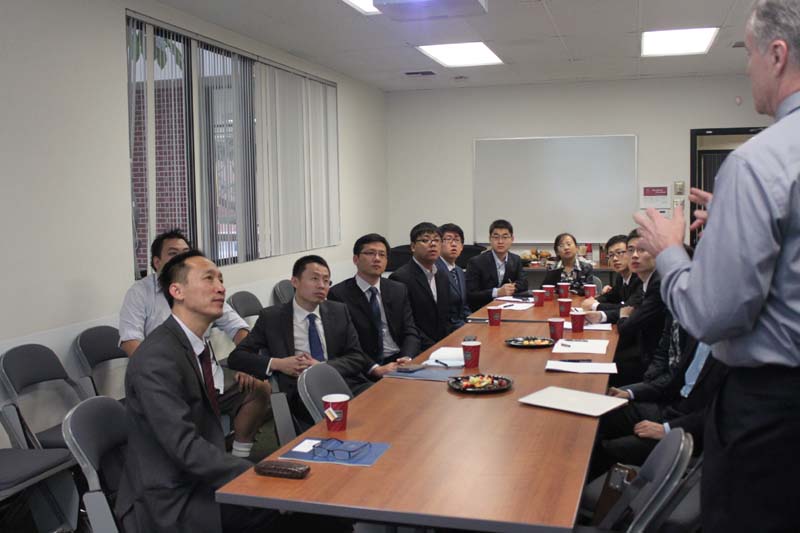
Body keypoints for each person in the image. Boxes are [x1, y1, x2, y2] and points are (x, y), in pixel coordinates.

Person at [634, 2, 800, 530]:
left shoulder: (759, 161)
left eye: (748, 54)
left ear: (778, 55)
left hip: (774, 412)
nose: (747, 68)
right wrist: (735, 217)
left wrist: (670, 250)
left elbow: (712, 316)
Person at [116, 250, 276, 533]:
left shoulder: (189, 344)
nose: (221, 287)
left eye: (221, 279)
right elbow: (184, 447)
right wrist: (253, 475)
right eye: (209, 278)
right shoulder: (156, 358)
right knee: (289, 507)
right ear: (176, 291)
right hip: (171, 497)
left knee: (298, 485)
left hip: (196, 476)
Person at [118, 229, 269, 458]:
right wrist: (159, 370)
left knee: (259, 388)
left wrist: (245, 362)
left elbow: (238, 328)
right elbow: (131, 341)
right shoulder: (141, 295)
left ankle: (240, 455)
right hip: (172, 378)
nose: (220, 287)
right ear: (157, 263)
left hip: (208, 374)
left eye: (185, 252)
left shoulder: (206, 295)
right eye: (173, 253)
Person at [227, 255, 374, 427]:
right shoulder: (272, 317)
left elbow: (357, 356)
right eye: (314, 279)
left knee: (379, 403)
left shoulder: (339, 311)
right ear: (295, 282)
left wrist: (322, 367)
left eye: (326, 280)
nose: (322, 285)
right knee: (343, 422)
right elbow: (237, 357)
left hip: (343, 381)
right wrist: (278, 364)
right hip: (302, 390)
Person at [328, 233, 421, 371]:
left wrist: (406, 357)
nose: (377, 258)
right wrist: (374, 368)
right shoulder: (338, 294)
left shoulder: (398, 289)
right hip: (364, 365)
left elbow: (410, 330)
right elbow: (346, 344)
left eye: (382, 254)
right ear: (355, 259)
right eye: (370, 253)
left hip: (399, 359)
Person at [587, 230, 667, 386]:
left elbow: (628, 325)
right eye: (631, 250)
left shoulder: (656, 283)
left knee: (599, 364)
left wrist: (620, 315)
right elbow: (616, 300)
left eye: (642, 250)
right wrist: (597, 303)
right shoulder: (643, 280)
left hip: (651, 358)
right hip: (642, 347)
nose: (635, 255)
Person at [389, 222, 451, 350]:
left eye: (436, 240)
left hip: (443, 345)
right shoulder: (400, 278)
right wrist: (434, 347)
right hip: (418, 347)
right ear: (413, 247)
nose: (432, 244)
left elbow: (446, 316)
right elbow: (407, 324)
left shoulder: (442, 275)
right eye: (425, 240)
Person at [465, 219, 528, 310]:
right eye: (496, 237)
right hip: (484, 309)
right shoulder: (476, 262)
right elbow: (471, 294)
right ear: (490, 239)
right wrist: (497, 292)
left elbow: (524, 283)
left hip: (509, 307)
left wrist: (510, 288)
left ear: (512, 239)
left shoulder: (515, 259)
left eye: (505, 237)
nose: (500, 241)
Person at [581, 234, 641, 318]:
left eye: (619, 253)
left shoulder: (640, 277)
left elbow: (629, 308)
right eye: (611, 255)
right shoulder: (621, 277)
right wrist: (594, 300)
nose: (615, 259)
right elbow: (611, 296)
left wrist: (595, 306)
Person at [436, 223, 472, 328]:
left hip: (461, 325)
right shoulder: (434, 270)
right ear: (439, 243)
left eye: (457, 240)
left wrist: (474, 321)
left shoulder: (460, 271)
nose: (453, 244)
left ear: (462, 247)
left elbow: (463, 306)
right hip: (446, 329)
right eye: (448, 239)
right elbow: (443, 312)